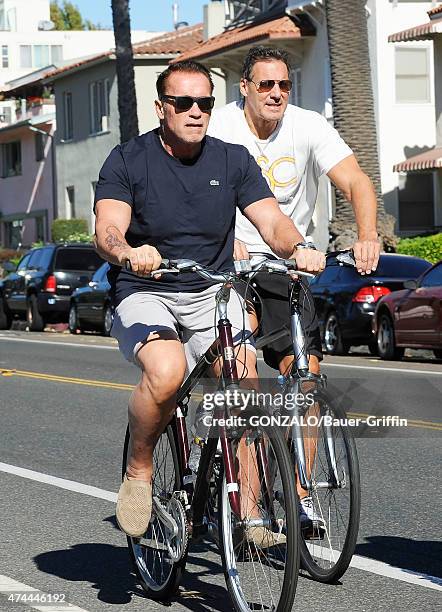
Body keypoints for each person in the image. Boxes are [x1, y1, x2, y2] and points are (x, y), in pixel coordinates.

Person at [94, 60, 325, 544]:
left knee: (246, 388)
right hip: (146, 290)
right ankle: (138, 471)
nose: (196, 112)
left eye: (205, 103)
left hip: (211, 290)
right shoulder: (127, 160)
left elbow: (271, 221)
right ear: (161, 108)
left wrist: (296, 246)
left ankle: (250, 511)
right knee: (166, 372)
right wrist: (127, 251)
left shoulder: (232, 159)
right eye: (184, 103)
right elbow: (108, 230)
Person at [207, 46, 380, 528]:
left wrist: (367, 235)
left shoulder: (308, 126)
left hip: (286, 269)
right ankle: (251, 507)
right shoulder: (220, 128)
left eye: (284, 84)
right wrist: (223, 242)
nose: (277, 93)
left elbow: (356, 182)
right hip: (231, 271)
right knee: (246, 383)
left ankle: (301, 495)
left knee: (303, 378)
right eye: (266, 84)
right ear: (245, 88)